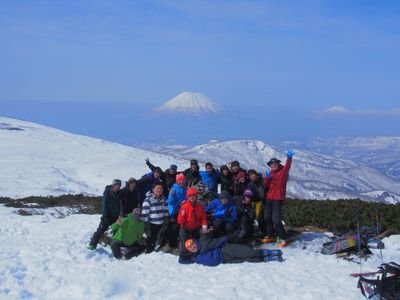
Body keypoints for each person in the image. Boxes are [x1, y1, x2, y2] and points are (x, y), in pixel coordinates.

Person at [178, 233, 283, 266]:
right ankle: (270, 258)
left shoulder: (204, 244)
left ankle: (269, 252)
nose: (193, 247)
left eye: (192, 244)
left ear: (195, 242)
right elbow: (181, 260)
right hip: (225, 260)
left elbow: (218, 241)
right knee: (247, 259)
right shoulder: (195, 258)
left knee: (247, 252)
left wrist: (229, 237)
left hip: (225, 250)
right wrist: (184, 251)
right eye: (190, 247)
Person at [262, 150, 295, 247]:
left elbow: (288, 167)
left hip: (278, 198)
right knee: (267, 217)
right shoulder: (271, 173)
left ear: (278, 164)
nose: (273, 165)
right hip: (269, 197)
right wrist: (267, 178)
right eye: (271, 164)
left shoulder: (283, 172)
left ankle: (283, 238)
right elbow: (265, 185)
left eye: (275, 164)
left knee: (276, 219)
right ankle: (270, 235)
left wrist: (289, 158)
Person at [88, 179, 122, 250]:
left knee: (117, 232)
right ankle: (92, 245)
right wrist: (105, 216)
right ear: (113, 185)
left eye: (119, 185)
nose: (118, 187)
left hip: (116, 217)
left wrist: (120, 215)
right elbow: (104, 205)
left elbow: (121, 205)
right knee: (100, 230)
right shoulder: (107, 193)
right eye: (116, 185)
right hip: (107, 217)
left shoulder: (120, 194)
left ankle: (115, 247)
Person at [177, 187, 208, 253]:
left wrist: (204, 226)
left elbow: (203, 218)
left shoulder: (200, 207)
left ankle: (202, 249)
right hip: (187, 228)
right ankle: (184, 252)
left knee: (204, 233)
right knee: (183, 234)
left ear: (196, 196)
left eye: (193, 196)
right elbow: (180, 219)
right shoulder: (184, 207)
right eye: (190, 196)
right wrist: (182, 223)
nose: (192, 198)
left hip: (197, 228)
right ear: (188, 197)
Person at [141, 182, 169, 253]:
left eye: (161, 188)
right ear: (153, 189)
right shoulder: (148, 200)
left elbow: (166, 212)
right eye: (157, 188)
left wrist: (165, 222)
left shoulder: (164, 199)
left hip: (161, 225)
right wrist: (147, 228)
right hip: (152, 225)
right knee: (150, 246)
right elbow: (144, 215)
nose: (159, 190)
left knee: (162, 241)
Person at [167, 173, 188, 249]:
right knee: (174, 227)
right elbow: (170, 203)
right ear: (177, 181)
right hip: (175, 211)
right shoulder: (173, 190)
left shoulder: (187, 189)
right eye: (180, 180)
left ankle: (183, 243)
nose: (181, 182)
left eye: (183, 180)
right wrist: (172, 213)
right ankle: (172, 245)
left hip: (184, 211)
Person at [247, 169, 265, 234]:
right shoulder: (250, 184)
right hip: (255, 202)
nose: (252, 176)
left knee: (261, 217)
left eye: (253, 174)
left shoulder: (262, 180)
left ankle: (264, 232)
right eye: (250, 175)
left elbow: (262, 193)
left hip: (263, 202)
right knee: (255, 217)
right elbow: (248, 192)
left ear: (256, 174)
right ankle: (257, 231)